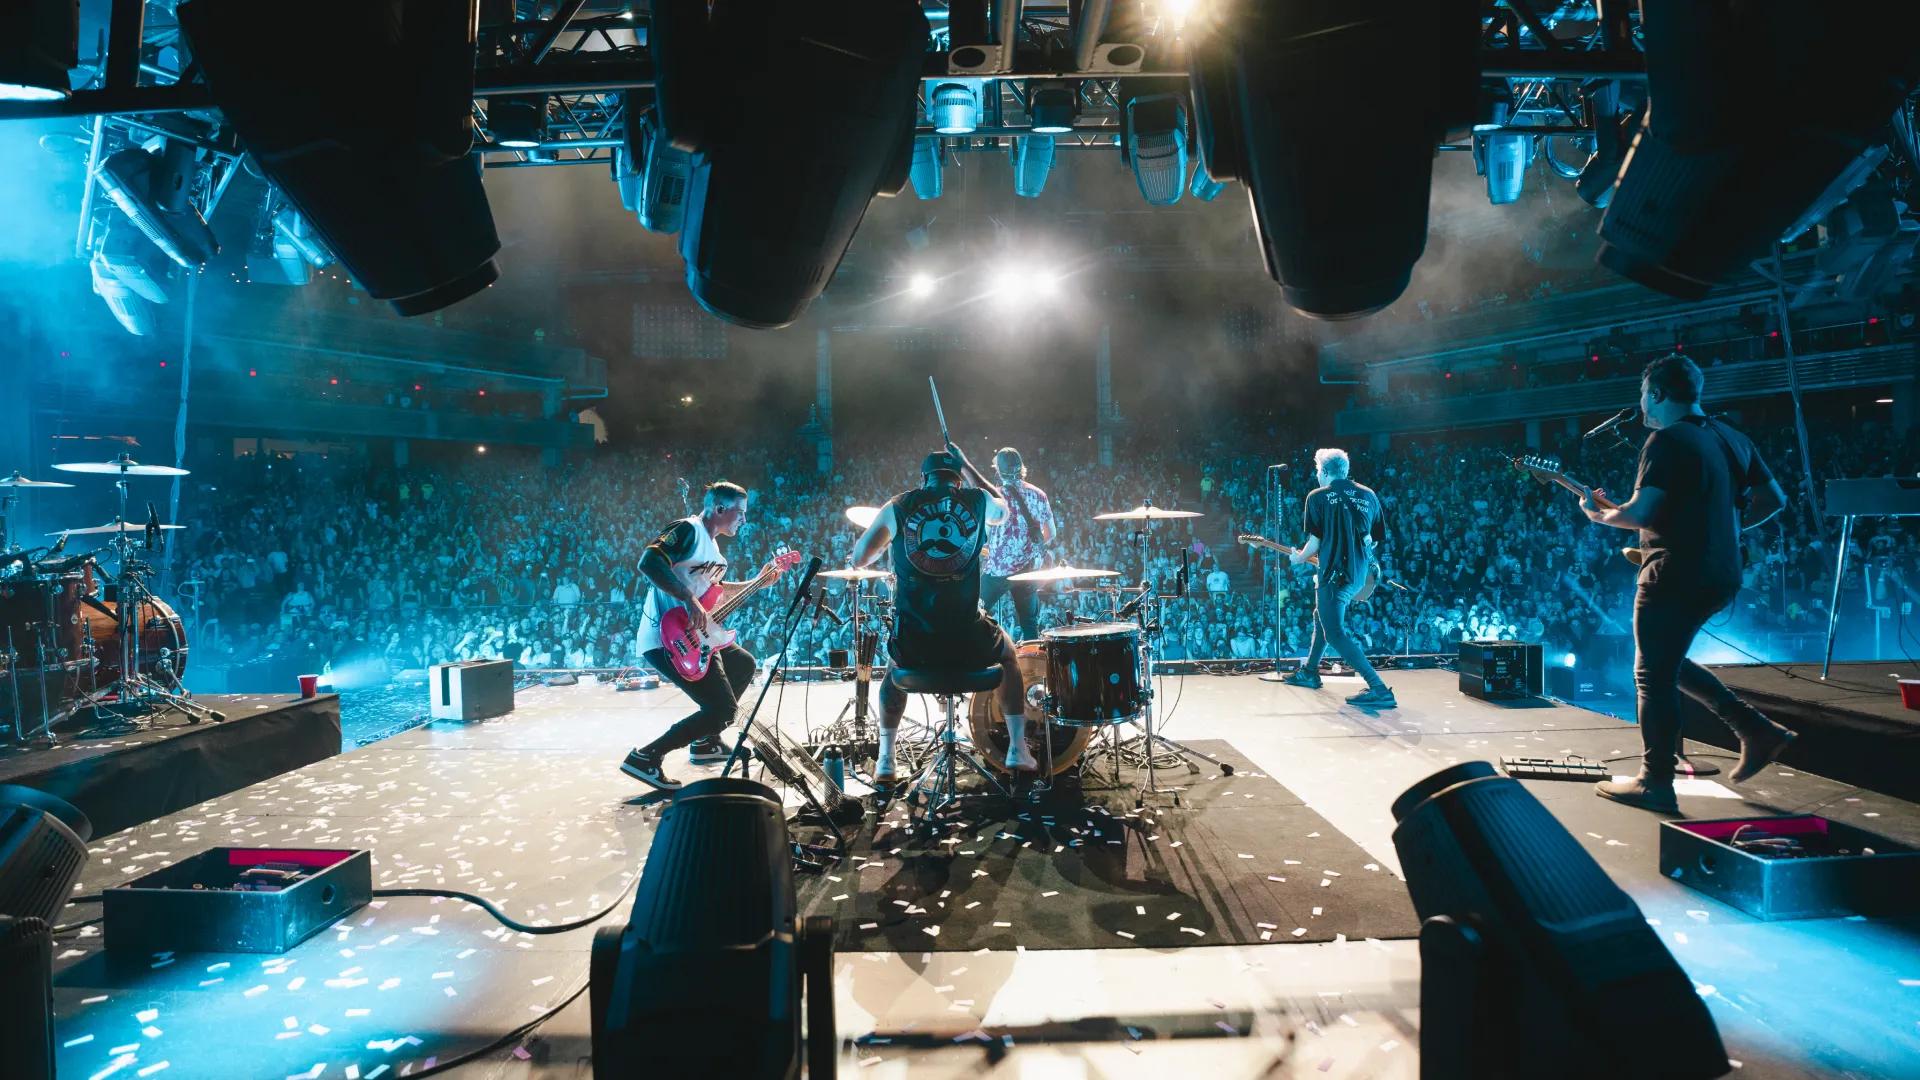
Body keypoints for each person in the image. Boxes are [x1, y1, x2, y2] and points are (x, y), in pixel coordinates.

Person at [1576, 354, 1796, 812]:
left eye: (1642, 394)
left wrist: (1601, 515)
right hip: (1723, 572)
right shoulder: (1731, 436)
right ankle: (1755, 729)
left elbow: (1639, 514)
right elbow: (1774, 499)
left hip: (1673, 571)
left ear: (1656, 393)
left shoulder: (1665, 440)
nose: (1640, 404)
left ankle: (1655, 782)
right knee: (1664, 661)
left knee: (1650, 674)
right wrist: (1721, 530)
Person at [850, 444, 1037, 784]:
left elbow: (860, 559)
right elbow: (1005, 510)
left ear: (923, 479)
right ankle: (1016, 749)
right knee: (1010, 655)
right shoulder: (978, 500)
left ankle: (886, 760)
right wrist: (969, 466)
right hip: (968, 639)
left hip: (916, 640)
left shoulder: (900, 505)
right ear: (958, 478)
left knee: (894, 667)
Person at [620, 481, 789, 791]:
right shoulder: (688, 529)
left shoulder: (715, 552)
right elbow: (649, 562)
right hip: (667, 637)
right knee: (722, 710)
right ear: (719, 508)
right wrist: (688, 598)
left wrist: (758, 582)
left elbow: (715, 595)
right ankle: (646, 757)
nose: (744, 520)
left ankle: (706, 742)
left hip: (695, 635)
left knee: (743, 665)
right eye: (740, 513)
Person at [1283, 448, 1396, 708]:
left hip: (1333, 575)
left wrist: (1298, 558)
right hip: (1359, 575)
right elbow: (1375, 539)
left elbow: (1315, 541)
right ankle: (1310, 672)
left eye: (1317, 471)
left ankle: (1378, 688)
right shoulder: (1369, 495)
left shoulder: (1317, 497)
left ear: (1323, 471)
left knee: (1334, 632)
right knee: (1321, 616)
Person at [978, 447, 1056, 641]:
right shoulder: (1038, 494)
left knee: (973, 612)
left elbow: (985, 535)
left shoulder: (994, 497)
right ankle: (1035, 668)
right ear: (1021, 468)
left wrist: (996, 549)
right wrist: (1025, 548)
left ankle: (974, 660)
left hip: (998, 570)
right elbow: (1051, 533)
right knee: (1029, 624)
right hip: (1027, 569)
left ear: (998, 470)